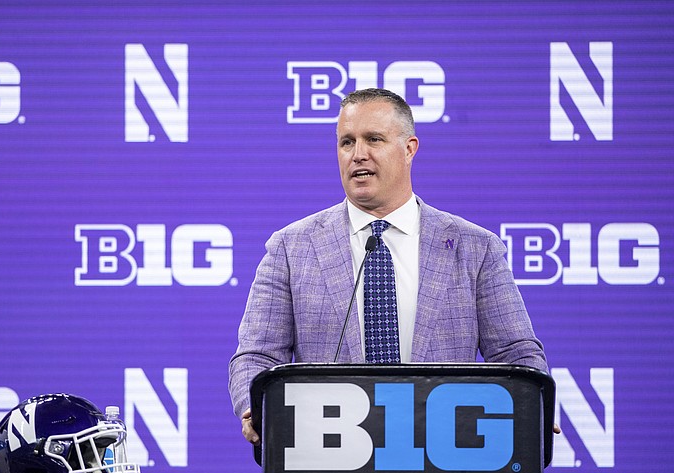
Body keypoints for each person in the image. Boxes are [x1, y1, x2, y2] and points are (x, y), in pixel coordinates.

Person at [228, 88, 549, 445]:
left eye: (373, 140)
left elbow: (515, 352)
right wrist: (255, 405)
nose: (358, 154)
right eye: (347, 142)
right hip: (328, 450)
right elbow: (257, 354)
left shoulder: (475, 247)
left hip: (445, 449)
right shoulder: (291, 248)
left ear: (409, 148)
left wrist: (535, 406)